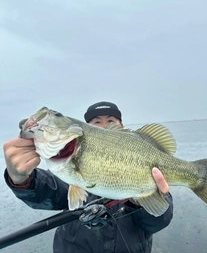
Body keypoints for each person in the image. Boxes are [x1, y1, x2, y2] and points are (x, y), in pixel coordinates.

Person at [3, 101, 173, 253]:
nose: (103, 125)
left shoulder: (148, 161)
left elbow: (157, 222)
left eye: (111, 121)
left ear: (121, 126)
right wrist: (21, 179)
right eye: (96, 122)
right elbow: (48, 190)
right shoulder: (67, 171)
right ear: (86, 128)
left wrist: (142, 200)